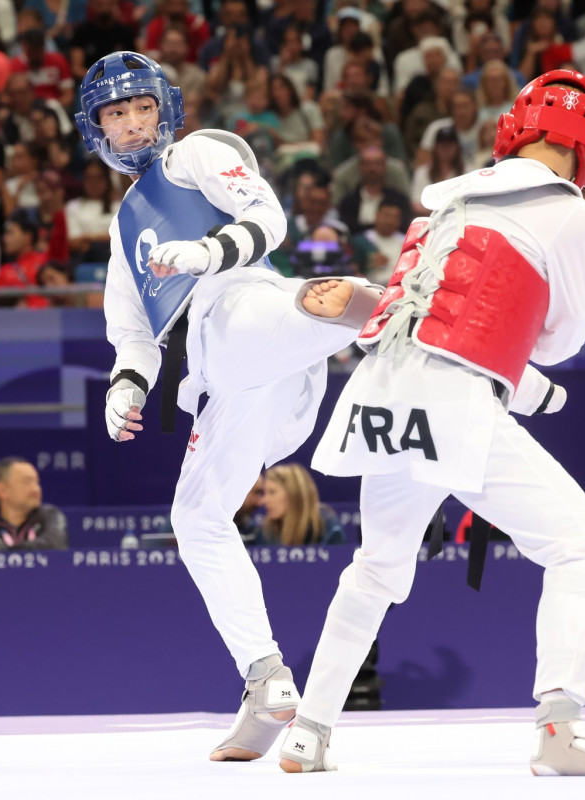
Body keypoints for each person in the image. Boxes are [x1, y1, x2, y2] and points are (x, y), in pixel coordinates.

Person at [278, 70, 585, 777]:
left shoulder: (443, 204)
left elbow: (422, 316)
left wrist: (524, 380)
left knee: (376, 569)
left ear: (516, 130)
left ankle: (309, 730)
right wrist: (530, 358)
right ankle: (559, 732)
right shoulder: (573, 213)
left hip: (379, 391)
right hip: (454, 401)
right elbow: (562, 337)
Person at [78, 51, 381, 764]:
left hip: (243, 306)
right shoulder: (123, 230)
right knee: (195, 517)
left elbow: (268, 216)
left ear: (165, 109)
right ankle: (265, 676)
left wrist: (204, 254)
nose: (130, 124)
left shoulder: (197, 155)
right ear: (98, 132)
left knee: (258, 322)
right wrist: (126, 387)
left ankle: (370, 309)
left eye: (140, 108)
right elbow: (131, 335)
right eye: (114, 115)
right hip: (231, 390)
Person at [0, 457, 69, 551]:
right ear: (2, 490)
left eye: (37, 482)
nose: (36, 489)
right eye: (27, 482)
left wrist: (1, 550)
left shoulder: (50, 517)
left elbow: (55, 548)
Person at [257, 464, 346, 546]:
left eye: (272, 492)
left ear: (294, 494)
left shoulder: (327, 527)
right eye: (264, 493)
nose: (264, 500)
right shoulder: (266, 531)